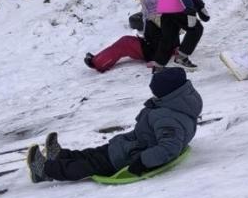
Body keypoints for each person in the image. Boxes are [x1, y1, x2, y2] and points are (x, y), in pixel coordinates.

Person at [26, 67, 202, 183]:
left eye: (156, 94)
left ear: (167, 93)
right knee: (91, 154)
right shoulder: (178, 103)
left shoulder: (169, 118)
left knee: (86, 166)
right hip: (127, 146)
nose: (154, 96)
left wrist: (142, 161)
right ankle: (60, 155)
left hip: (127, 158)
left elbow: (168, 147)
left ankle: (45, 171)